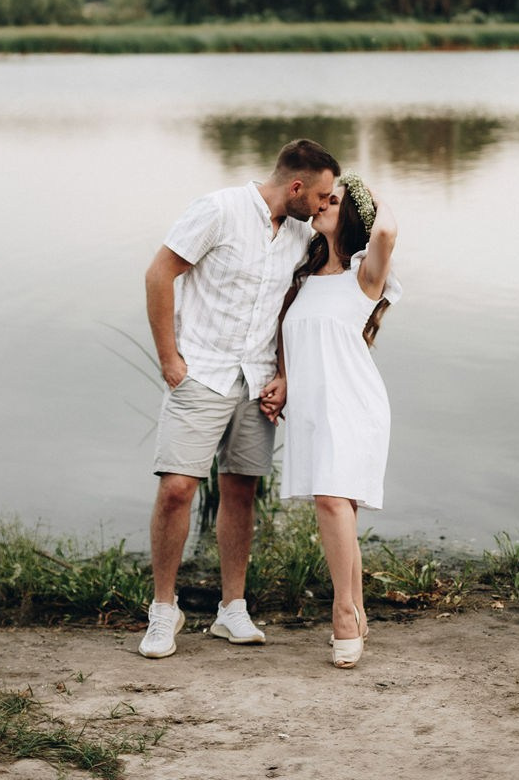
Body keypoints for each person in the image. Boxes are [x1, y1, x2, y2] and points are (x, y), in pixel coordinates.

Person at [138, 137, 341, 659]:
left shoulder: (301, 235)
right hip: (201, 373)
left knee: (241, 491)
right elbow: (160, 273)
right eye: (322, 195)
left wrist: (284, 374)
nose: (325, 204)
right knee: (177, 489)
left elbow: (291, 307)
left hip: (257, 380)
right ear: (296, 186)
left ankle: (232, 609)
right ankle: (163, 610)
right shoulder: (218, 210)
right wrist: (169, 359)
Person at [268, 171, 400, 669]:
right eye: (324, 197)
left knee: (330, 499)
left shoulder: (364, 275)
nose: (323, 203)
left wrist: (368, 193)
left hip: (354, 403)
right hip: (312, 406)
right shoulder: (303, 278)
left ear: (354, 216)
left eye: (335, 200)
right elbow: (291, 336)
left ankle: (343, 613)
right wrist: (283, 378)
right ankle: (358, 612)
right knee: (339, 508)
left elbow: (386, 230)